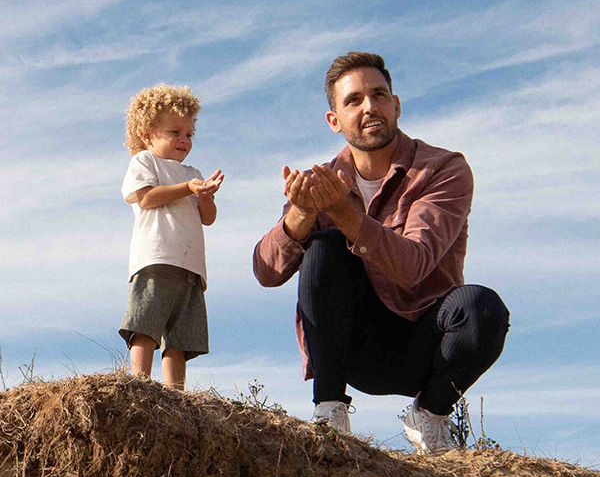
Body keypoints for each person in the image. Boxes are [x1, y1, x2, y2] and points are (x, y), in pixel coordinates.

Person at [253, 52, 509, 454]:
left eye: (379, 95)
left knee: (483, 307)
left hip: (429, 346)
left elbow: (414, 264)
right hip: (357, 348)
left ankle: (430, 415)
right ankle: (330, 411)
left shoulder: (443, 169)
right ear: (334, 120)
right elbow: (266, 272)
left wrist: (343, 212)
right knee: (324, 249)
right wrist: (302, 214)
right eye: (353, 100)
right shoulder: (323, 181)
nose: (369, 106)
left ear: (396, 105)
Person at [119, 83, 224, 390]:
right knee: (147, 326)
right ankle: (138, 385)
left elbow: (208, 218)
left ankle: (175, 395)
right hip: (156, 259)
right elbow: (147, 197)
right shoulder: (144, 162)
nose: (184, 140)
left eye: (189, 134)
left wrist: (205, 195)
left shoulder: (193, 172)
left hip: (190, 267)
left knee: (181, 335)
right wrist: (189, 188)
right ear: (147, 134)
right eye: (174, 132)